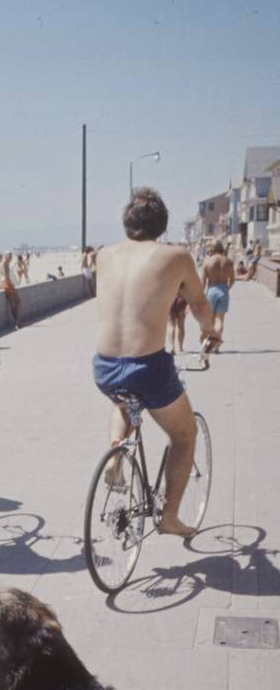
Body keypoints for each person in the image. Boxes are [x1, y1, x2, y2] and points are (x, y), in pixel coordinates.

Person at [93, 188, 219, 538]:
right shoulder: (176, 256)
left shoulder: (103, 255)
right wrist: (211, 331)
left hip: (104, 365)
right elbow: (199, 306)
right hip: (148, 366)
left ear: (126, 221)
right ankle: (170, 518)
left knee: (124, 399)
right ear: (161, 225)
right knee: (184, 435)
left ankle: (117, 452)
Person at [201, 239, 235, 350]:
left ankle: (209, 344)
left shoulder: (207, 262)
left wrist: (200, 297)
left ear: (213, 249)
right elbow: (233, 279)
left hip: (211, 290)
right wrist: (226, 289)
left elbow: (203, 282)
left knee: (210, 320)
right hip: (223, 289)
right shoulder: (228, 261)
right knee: (219, 320)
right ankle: (217, 347)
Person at [0, 252, 21, 327]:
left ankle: (16, 321)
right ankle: (16, 322)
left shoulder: (4, 263)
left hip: (5, 283)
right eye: (10, 256)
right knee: (15, 302)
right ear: (7, 257)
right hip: (7, 284)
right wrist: (12, 285)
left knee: (15, 302)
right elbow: (7, 277)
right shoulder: (5, 264)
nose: (11, 258)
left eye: (11, 256)